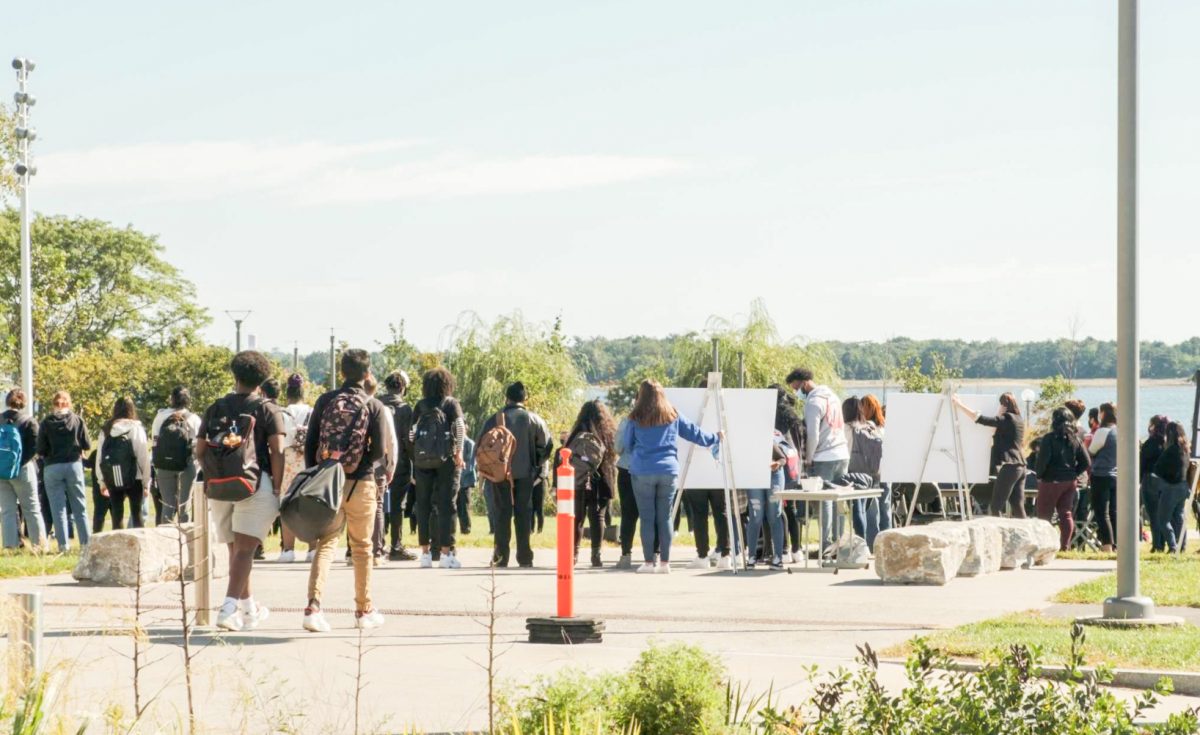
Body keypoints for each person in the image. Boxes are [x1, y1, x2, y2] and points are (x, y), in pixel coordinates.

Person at [302, 349, 391, 631]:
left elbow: (311, 443)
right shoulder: (373, 404)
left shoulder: (326, 400)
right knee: (362, 547)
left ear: (341, 372)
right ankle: (363, 611)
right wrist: (361, 464)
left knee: (326, 543)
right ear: (367, 374)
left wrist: (318, 474)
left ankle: (313, 607)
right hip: (361, 481)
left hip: (328, 481)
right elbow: (379, 450)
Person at [197, 351, 286, 632]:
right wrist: (279, 487)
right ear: (263, 379)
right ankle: (228, 608)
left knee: (236, 551)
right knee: (246, 550)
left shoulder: (215, 408)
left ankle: (249, 609)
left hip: (220, 486)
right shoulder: (268, 409)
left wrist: (214, 474)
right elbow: (278, 451)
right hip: (254, 483)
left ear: (234, 376)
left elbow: (200, 450)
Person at [620, 380, 720, 574]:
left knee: (647, 518)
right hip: (669, 470)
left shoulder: (635, 416)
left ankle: (649, 563)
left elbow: (627, 444)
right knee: (665, 517)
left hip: (642, 471)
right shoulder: (672, 413)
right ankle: (665, 563)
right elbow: (694, 433)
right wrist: (715, 438)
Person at [479, 381, 552, 568]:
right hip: (526, 473)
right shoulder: (533, 419)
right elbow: (546, 445)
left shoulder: (494, 419)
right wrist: (536, 465)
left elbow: (481, 446)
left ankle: (500, 557)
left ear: (507, 397)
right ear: (524, 398)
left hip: (499, 474)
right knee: (523, 514)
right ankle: (525, 556)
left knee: (502, 514)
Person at [786, 368, 849, 553]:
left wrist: (809, 458)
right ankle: (840, 541)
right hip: (842, 452)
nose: (796, 392)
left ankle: (825, 544)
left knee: (824, 501)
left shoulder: (813, 402)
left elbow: (812, 434)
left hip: (824, 456)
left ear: (804, 383)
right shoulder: (832, 396)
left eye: (796, 387)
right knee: (839, 500)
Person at [412, 367, 468, 569]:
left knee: (423, 506)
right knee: (447, 505)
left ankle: (425, 554)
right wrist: (459, 452)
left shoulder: (420, 405)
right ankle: (446, 554)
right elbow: (460, 427)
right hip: (446, 460)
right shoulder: (451, 404)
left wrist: (416, 457)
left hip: (422, 462)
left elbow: (411, 434)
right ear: (448, 384)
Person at [561, 400, 617, 568]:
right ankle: (596, 555)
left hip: (578, 479)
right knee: (597, 517)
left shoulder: (577, 431)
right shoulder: (607, 432)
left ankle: (574, 554)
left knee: (577, 517)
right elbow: (614, 454)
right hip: (601, 479)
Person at [953, 392, 1027, 518]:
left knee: (996, 506)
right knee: (1017, 504)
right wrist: (999, 413)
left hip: (1009, 467)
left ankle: (998, 533)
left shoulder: (1007, 419)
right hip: (1021, 467)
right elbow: (994, 430)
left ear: (1003, 405)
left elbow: (981, 419)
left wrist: (959, 405)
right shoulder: (1018, 419)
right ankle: (1026, 532)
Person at [37, 391, 92, 552]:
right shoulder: (77, 420)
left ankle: (63, 546)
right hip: (73, 465)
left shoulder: (46, 422)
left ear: (54, 404)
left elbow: (40, 448)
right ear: (69, 403)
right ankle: (86, 544)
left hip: (52, 466)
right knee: (79, 506)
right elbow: (87, 444)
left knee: (57, 508)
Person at [1034, 408, 1091, 551]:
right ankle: (1064, 546)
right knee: (1066, 513)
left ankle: (1044, 545)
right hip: (1069, 481)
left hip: (1051, 480)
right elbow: (1086, 462)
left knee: (1044, 515)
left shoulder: (1049, 438)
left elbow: (1042, 461)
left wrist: (1039, 475)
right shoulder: (1075, 439)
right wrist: (1074, 473)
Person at [377, 371, 416, 562]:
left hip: (377, 462)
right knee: (398, 506)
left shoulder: (375, 404)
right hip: (400, 462)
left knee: (377, 503)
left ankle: (378, 544)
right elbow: (409, 439)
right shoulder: (406, 409)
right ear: (403, 388)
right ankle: (396, 545)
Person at [96, 397, 153, 530]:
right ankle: (140, 546)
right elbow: (143, 456)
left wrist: (102, 481)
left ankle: (118, 545)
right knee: (137, 514)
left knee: (117, 515)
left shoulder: (106, 429)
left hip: (112, 477)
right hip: (135, 476)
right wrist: (146, 482)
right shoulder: (136, 428)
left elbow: (100, 458)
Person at [0, 389, 45, 549]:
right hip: (23, 469)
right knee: (32, 508)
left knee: (7, 510)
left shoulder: (0, 419)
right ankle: (39, 545)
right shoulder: (29, 421)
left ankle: (10, 546)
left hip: (2, 471)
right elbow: (36, 446)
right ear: (24, 402)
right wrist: (20, 463)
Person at [150, 387, 203, 524]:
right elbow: (198, 444)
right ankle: (184, 541)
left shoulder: (160, 417)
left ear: (171, 399)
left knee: (167, 505)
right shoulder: (193, 419)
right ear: (188, 400)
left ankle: (165, 540)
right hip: (186, 464)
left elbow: (155, 440)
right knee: (184, 506)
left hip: (164, 465)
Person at [277, 373, 314, 563]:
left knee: (286, 505)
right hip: (307, 461)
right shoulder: (312, 411)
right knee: (310, 505)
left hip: (288, 459)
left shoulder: (282, 413)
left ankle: (288, 549)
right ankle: (312, 549)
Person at [361, 373, 397, 567]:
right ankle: (376, 551)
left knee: (355, 508)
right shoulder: (381, 408)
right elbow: (391, 441)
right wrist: (391, 465)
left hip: (354, 464)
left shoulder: (351, 405)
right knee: (378, 507)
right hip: (376, 464)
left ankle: (353, 551)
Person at [771, 385, 805, 564]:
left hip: (779, 464)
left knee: (779, 509)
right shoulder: (793, 417)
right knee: (791, 508)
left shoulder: (769, 416)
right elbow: (800, 444)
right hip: (794, 464)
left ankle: (783, 549)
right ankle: (797, 549)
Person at [852, 393, 890, 549]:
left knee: (871, 509)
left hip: (871, 471)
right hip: (886, 470)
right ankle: (888, 542)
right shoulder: (884, 426)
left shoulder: (866, 426)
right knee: (885, 508)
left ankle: (872, 543)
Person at [1152, 421, 1191, 554]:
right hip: (1183, 486)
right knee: (1179, 518)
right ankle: (1182, 545)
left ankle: (1173, 546)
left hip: (1171, 487)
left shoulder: (1170, 450)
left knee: (1163, 519)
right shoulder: (1186, 449)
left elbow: (1157, 468)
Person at [1088, 402, 1119, 551]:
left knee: (1102, 512)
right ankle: (1117, 544)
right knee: (1114, 511)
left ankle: (1107, 545)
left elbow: (1092, 450)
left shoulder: (1103, 431)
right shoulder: (1120, 430)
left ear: (1104, 413)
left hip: (1101, 474)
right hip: (1117, 475)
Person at [1139, 415, 1170, 552]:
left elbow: (1142, 463)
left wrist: (1138, 480)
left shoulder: (1150, 443)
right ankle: (1164, 541)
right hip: (1166, 481)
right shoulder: (1169, 442)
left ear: (1153, 426)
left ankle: (1157, 544)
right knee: (1164, 514)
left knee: (1153, 514)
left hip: (1151, 480)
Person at [458, 430, 477, 535]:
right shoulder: (456, 443)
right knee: (456, 506)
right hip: (457, 480)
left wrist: (459, 475)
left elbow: (471, 464)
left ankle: (466, 529)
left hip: (465, 481)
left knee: (464, 506)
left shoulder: (469, 443)